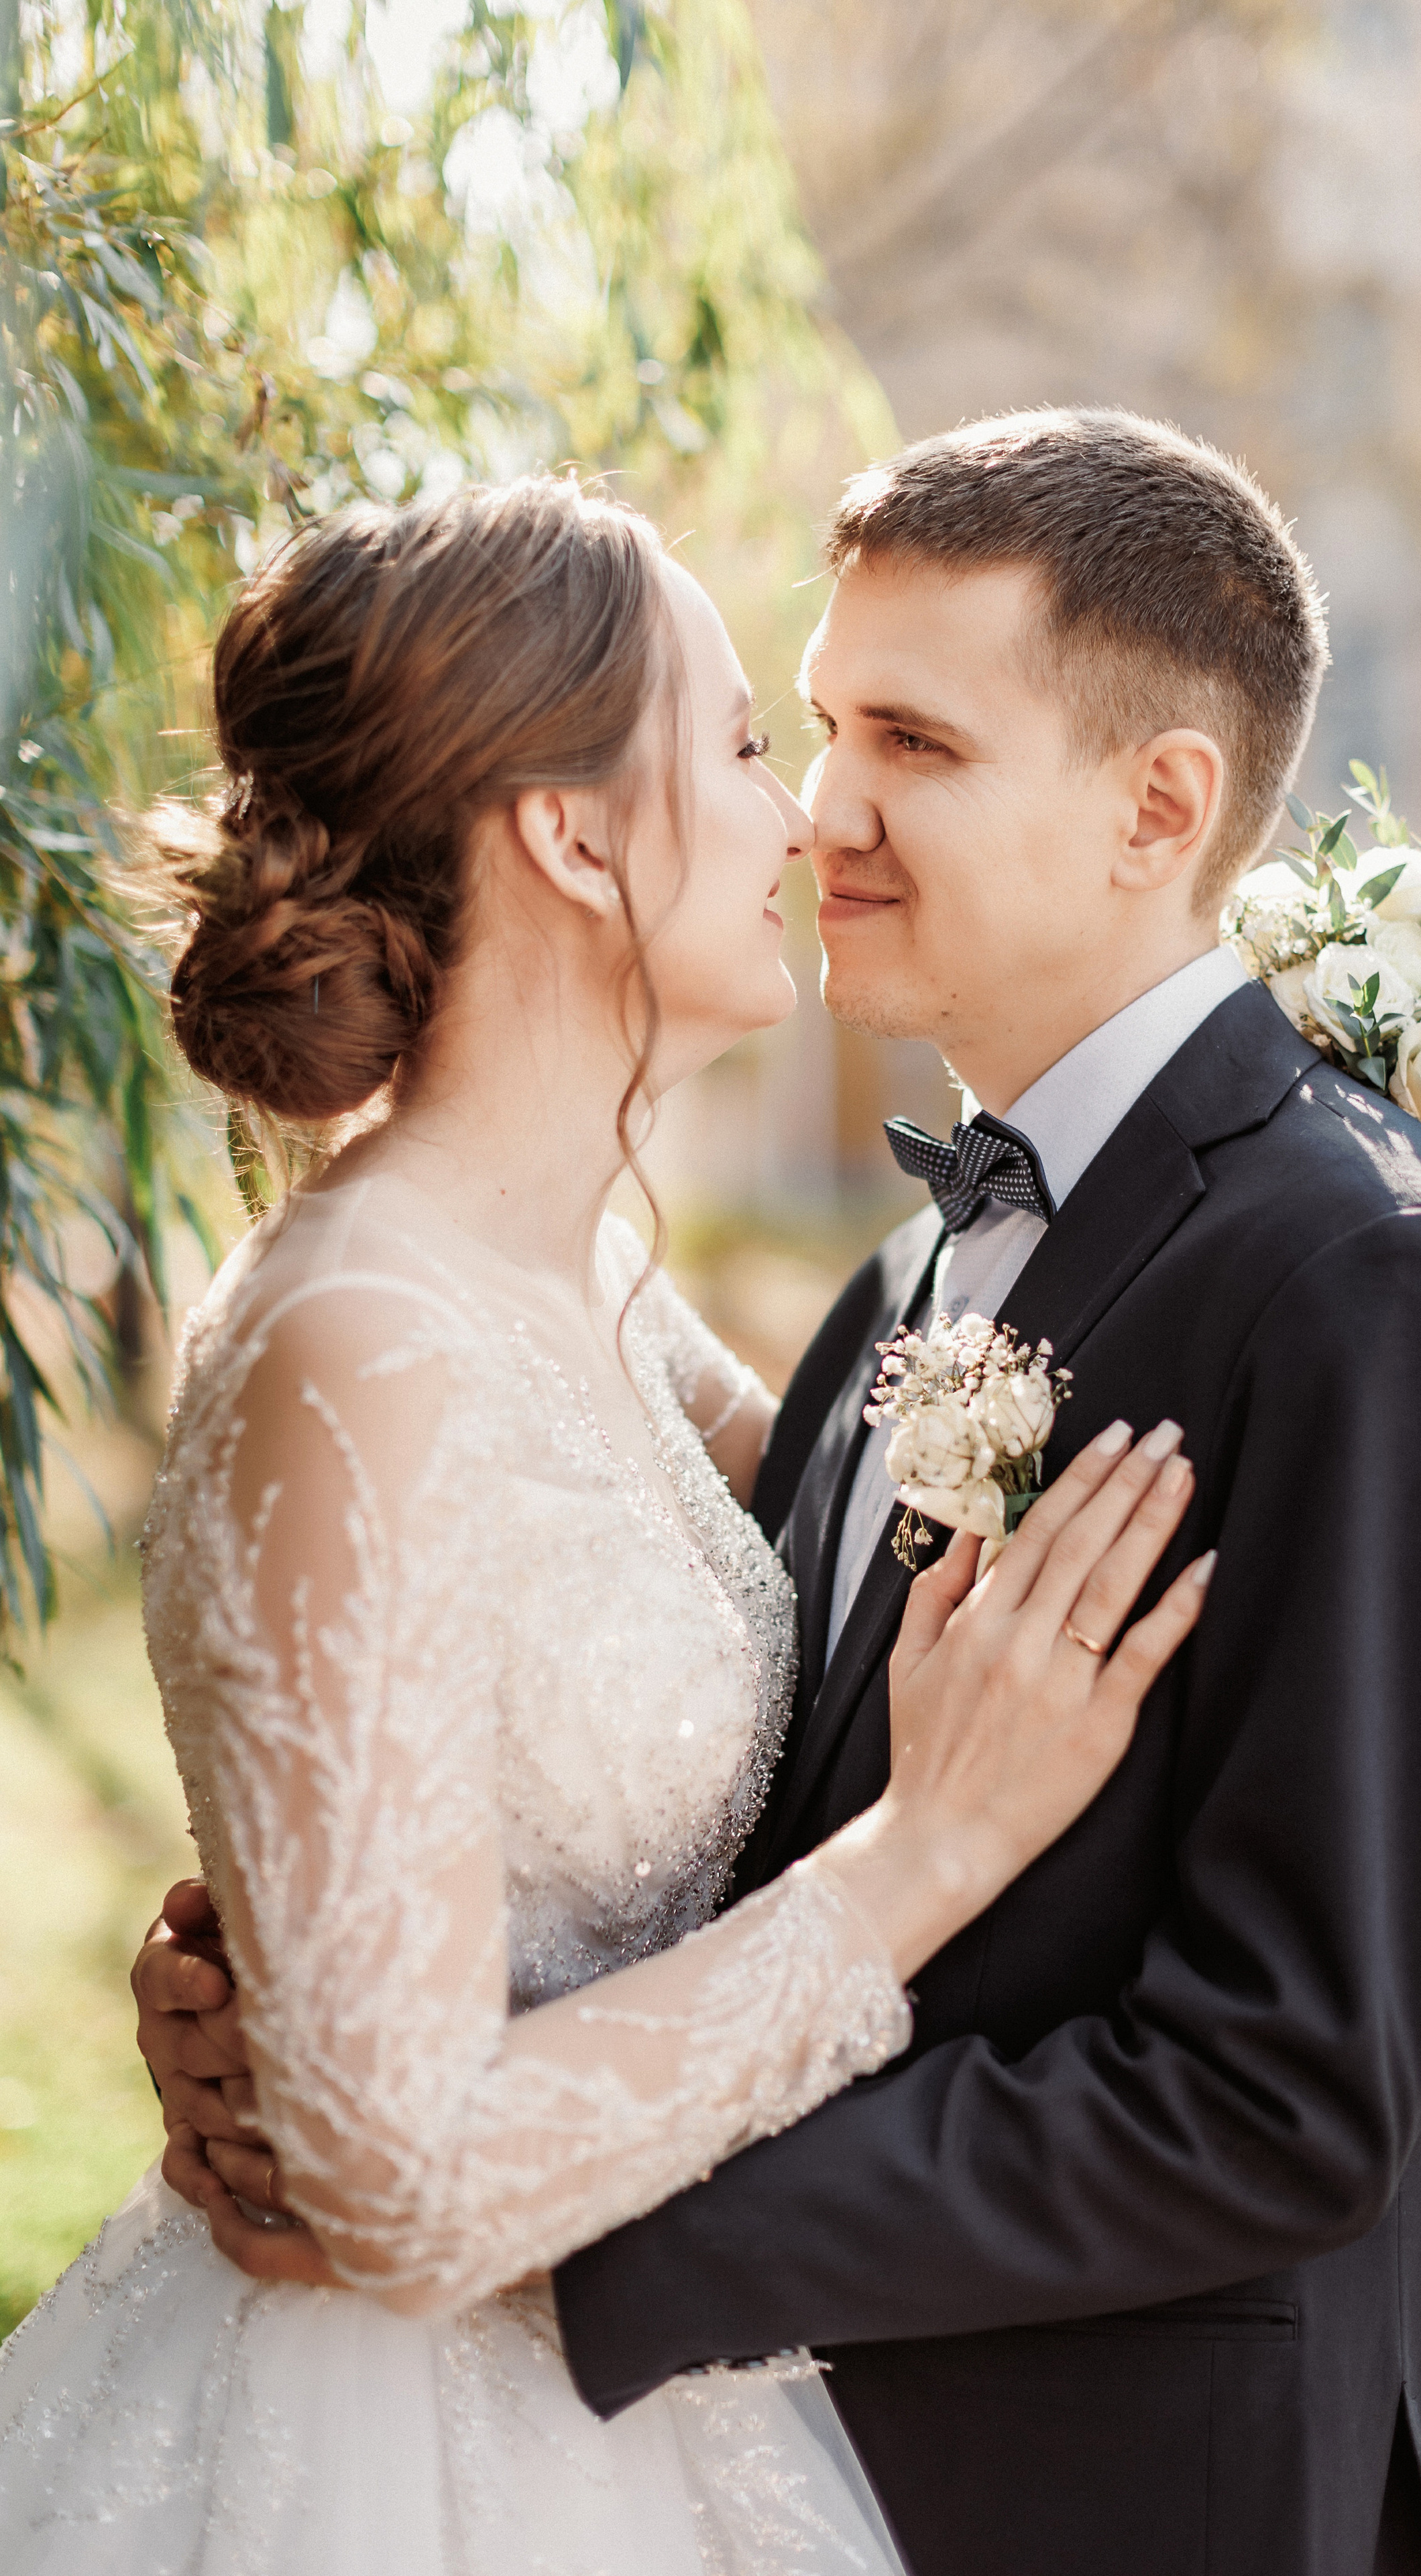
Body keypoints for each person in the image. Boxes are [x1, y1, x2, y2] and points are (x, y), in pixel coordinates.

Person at [136, 411, 1421, 2576]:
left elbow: (1285, 2095)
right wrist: (300, 1992)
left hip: (1110, 2503)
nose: (819, 811)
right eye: (795, 734)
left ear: (1158, 807)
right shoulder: (900, 1277)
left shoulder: (1375, 1276)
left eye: (909, 738)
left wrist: (511, 2209)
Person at [0, 472, 1214, 2575]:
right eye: (743, 746)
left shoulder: (603, 1290)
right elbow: (389, 2189)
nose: (800, 820)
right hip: (395, 2453)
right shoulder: (353, 1342)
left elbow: (886, 1532)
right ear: (569, 837)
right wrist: (918, 1862)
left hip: (644, 2392)